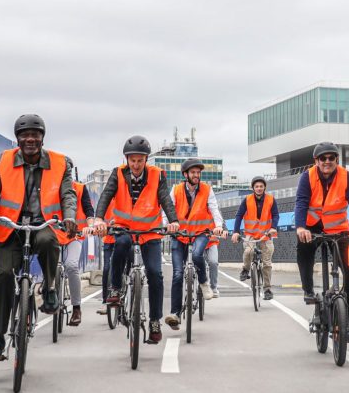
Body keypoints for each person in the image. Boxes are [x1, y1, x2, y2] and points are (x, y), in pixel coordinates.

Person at [0, 114, 77, 361]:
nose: (30, 139)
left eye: (35, 134)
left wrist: (69, 217)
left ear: (42, 138)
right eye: (24, 135)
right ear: (17, 139)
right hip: (11, 228)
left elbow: (68, 194)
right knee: (3, 276)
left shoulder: (60, 163)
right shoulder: (4, 160)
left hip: (41, 223)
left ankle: (50, 288)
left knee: (48, 242)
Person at [90, 135, 179, 344]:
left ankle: (155, 321)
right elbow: (106, 195)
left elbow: (165, 198)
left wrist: (173, 220)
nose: (136, 165)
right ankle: (115, 287)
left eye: (140, 160)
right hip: (124, 228)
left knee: (155, 274)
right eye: (132, 160)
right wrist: (99, 218)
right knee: (120, 244)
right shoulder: (118, 173)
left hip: (150, 232)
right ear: (127, 159)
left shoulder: (157, 175)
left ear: (146, 159)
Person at [293, 142, 349, 339]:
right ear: (316, 161)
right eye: (323, 158)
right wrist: (301, 227)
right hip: (312, 227)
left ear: (337, 160)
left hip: (338, 228)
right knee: (304, 248)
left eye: (331, 158)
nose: (327, 161)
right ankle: (308, 289)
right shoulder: (307, 177)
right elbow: (301, 203)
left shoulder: (346, 176)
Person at [164, 158, 225, 330]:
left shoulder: (207, 189)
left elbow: (214, 208)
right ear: (185, 174)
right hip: (179, 234)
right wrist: (166, 224)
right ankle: (175, 314)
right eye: (193, 172)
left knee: (197, 255)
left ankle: (204, 283)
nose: (196, 175)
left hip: (200, 233)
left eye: (198, 172)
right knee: (177, 273)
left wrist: (218, 226)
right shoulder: (176, 190)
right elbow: (168, 208)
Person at [232, 176, 279, 300]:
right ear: (253, 188)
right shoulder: (247, 200)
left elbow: (275, 215)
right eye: (256, 186)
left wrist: (273, 227)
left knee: (266, 263)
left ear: (264, 187)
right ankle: (245, 269)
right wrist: (236, 232)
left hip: (266, 235)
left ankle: (267, 289)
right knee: (248, 251)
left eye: (261, 186)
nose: (259, 188)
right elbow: (239, 215)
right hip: (251, 234)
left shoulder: (270, 199)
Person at [59, 179, 95, 326]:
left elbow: (88, 209)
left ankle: (76, 308)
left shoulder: (80, 188)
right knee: (49, 264)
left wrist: (90, 226)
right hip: (54, 235)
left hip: (74, 235)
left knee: (71, 265)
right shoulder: (49, 184)